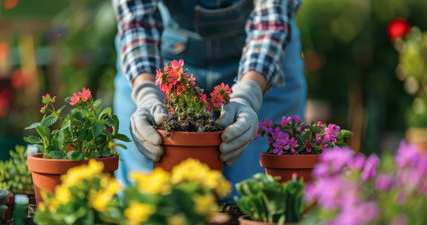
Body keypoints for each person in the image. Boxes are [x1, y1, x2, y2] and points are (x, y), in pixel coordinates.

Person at [112, 0, 306, 198]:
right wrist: (146, 93)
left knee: (256, 193)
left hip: (264, 63)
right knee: (150, 198)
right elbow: (136, 21)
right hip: (163, 62)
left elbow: (271, 20)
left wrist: (249, 93)